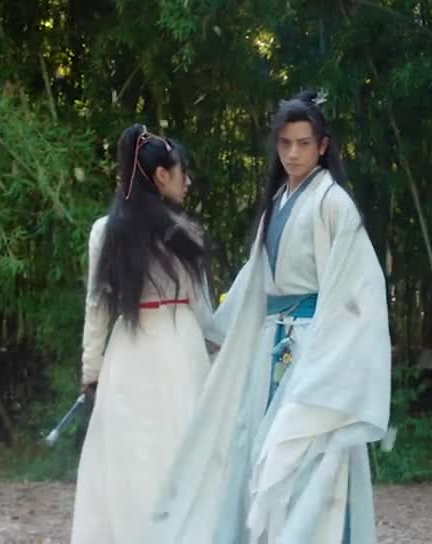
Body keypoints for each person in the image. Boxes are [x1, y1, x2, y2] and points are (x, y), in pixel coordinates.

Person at [147, 90, 391, 544]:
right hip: (272, 346)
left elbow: (357, 291)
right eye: (285, 143)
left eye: (303, 143)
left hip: (316, 348)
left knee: (305, 459)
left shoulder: (333, 203)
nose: (293, 153)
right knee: (257, 452)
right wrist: (216, 330)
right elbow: (255, 279)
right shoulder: (278, 200)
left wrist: (329, 356)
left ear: (323, 146)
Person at [70, 124, 220, 543]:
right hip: (180, 348)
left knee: (129, 463)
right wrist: (223, 347)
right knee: (182, 454)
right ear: (161, 176)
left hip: (129, 354)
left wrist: (91, 372)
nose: (187, 182)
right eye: (182, 172)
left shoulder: (106, 231)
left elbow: (97, 309)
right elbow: (202, 310)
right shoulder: (183, 232)